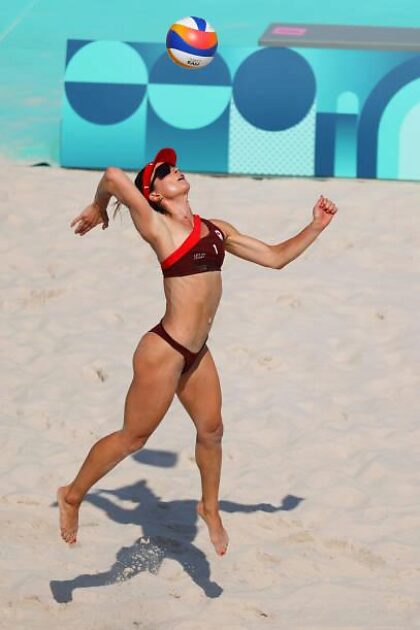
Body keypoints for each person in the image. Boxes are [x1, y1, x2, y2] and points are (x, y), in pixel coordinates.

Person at [58, 147, 338, 556]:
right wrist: (100, 205)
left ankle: (209, 507)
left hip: (197, 353)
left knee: (211, 431)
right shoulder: (156, 226)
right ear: (155, 194)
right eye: (165, 171)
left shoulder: (215, 229)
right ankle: (73, 494)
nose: (176, 170)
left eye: (174, 166)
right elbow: (115, 175)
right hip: (164, 351)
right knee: (133, 438)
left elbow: (276, 258)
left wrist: (315, 227)